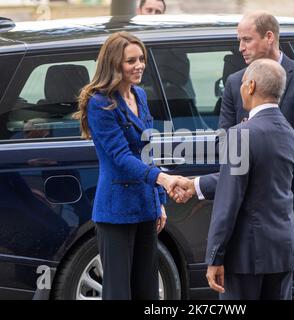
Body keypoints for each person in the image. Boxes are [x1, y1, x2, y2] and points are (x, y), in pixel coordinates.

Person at [171, 11, 294, 300]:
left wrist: (268, 156)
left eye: (246, 40)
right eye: (239, 40)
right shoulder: (235, 82)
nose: (241, 47)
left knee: (292, 286)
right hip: (247, 203)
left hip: (292, 200)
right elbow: (225, 140)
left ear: (269, 37)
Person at [74, 31, 178, 300]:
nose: (139, 65)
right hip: (116, 210)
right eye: (131, 60)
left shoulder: (140, 95)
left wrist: (159, 201)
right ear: (114, 64)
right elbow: (120, 158)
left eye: (141, 58)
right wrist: (162, 179)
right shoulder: (99, 104)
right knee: (118, 292)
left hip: (145, 206)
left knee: (147, 291)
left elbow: (147, 150)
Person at [206, 58, 294, 299]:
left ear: (251, 86)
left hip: (246, 256)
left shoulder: (240, 134)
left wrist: (215, 256)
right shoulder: (288, 132)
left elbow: (228, 202)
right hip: (283, 250)